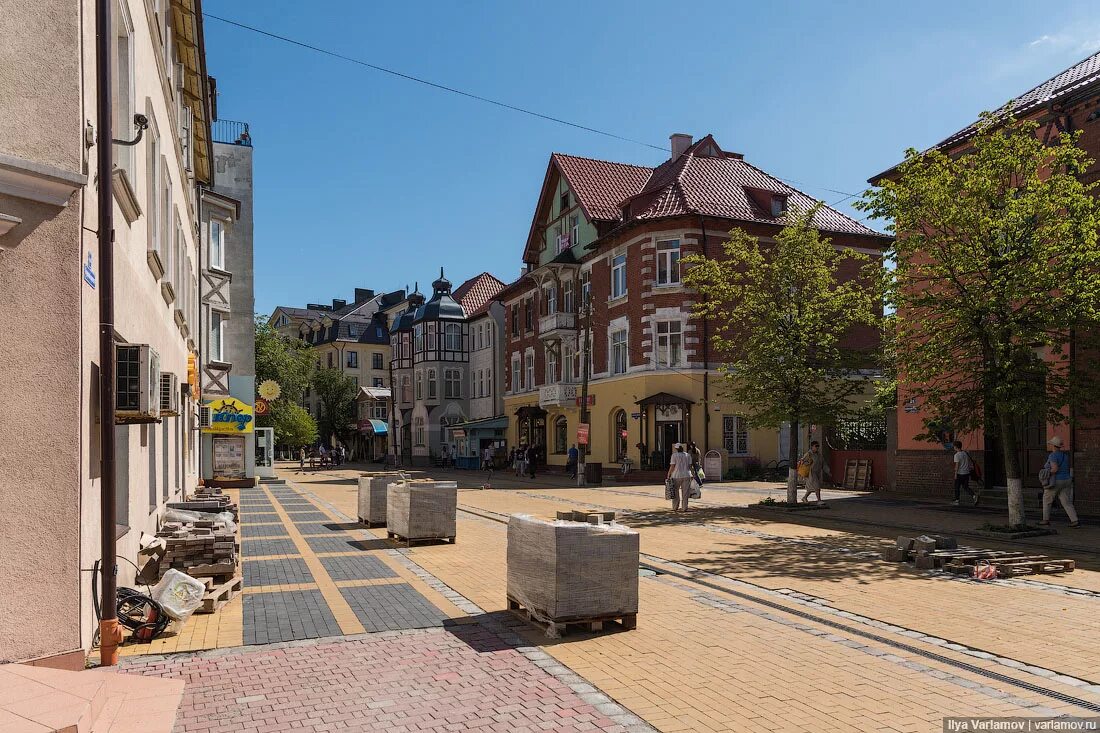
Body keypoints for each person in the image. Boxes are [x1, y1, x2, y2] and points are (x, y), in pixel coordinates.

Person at [1041, 436, 1079, 527]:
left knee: (1047, 499)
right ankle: (1075, 520)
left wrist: (1046, 472)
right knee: (1066, 502)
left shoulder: (1053, 455)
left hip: (1056, 481)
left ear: (1053, 446)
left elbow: (1055, 469)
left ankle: (1045, 520)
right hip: (1067, 480)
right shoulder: (1065, 455)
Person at [950, 440, 979, 506]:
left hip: (960, 473)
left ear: (956, 447)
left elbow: (957, 465)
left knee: (957, 487)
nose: (953, 447)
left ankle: (957, 500)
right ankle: (974, 495)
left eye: (954, 446)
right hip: (966, 473)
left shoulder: (957, 455)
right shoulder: (965, 453)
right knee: (966, 487)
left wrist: (955, 474)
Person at [667, 444, 693, 512]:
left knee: (675, 492)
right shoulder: (688, 455)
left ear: (676, 449)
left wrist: (669, 474)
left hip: (676, 475)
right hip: (687, 475)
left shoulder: (674, 455)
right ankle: (684, 507)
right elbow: (690, 466)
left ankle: (675, 507)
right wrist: (693, 474)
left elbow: (672, 466)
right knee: (685, 493)